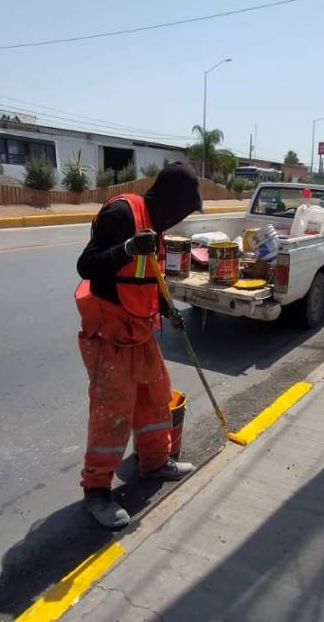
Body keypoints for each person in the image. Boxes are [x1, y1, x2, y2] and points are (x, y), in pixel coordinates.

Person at [74, 162, 203, 528]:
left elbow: (147, 279)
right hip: (109, 334)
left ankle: (154, 462)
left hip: (140, 331)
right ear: (172, 200)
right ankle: (97, 490)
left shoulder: (155, 225)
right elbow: (87, 265)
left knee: (154, 397)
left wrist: (167, 308)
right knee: (113, 412)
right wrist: (127, 248)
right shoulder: (123, 213)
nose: (183, 217)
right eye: (185, 209)